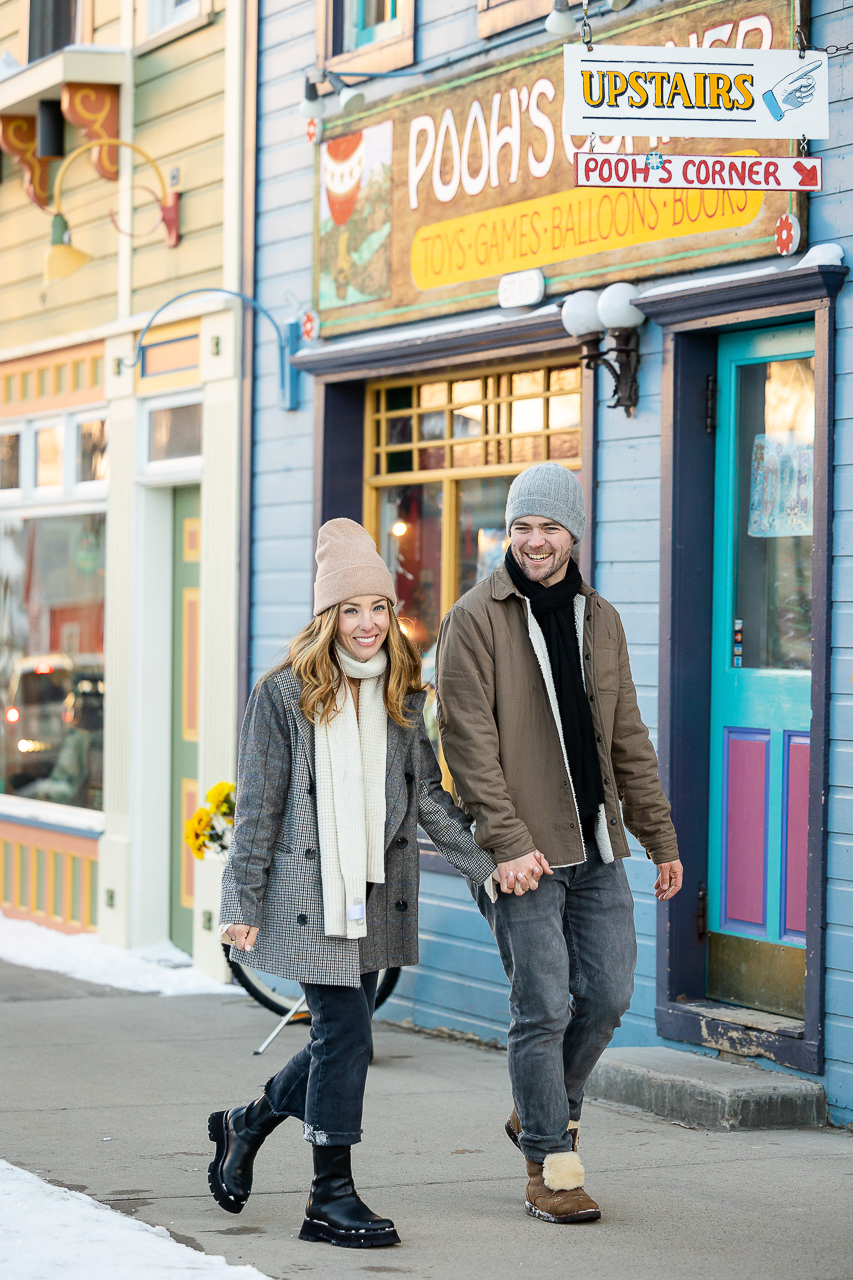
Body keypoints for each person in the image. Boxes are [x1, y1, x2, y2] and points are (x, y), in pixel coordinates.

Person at [209, 518, 498, 1249]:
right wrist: (240, 901)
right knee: (347, 1035)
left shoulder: (401, 694)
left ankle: (246, 1124)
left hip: (373, 892)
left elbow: (429, 797)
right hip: (311, 899)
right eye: (350, 609)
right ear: (325, 616)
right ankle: (328, 1197)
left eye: (378, 607)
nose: (367, 624)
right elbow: (260, 804)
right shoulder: (282, 697)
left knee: (345, 1037)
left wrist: (488, 868)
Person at [435, 462, 682, 1226]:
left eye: (547, 527)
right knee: (540, 1005)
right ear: (507, 533)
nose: (533, 541)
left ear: (573, 533)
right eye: (521, 527)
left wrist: (657, 833)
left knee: (604, 996)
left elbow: (628, 737)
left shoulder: (598, 617)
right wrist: (505, 843)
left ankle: (536, 1112)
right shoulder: (474, 618)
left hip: (596, 848)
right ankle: (551, 1161)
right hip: (523, 855)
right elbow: (466, 743)